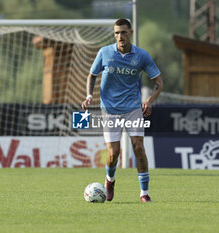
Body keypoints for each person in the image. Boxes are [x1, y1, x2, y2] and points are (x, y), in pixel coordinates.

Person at [81, 18, 163, 203]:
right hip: (110, 109)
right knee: (113, 154)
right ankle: (109, 181)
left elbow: (159, 82)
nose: (120, 36)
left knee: (138, 147)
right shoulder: (105, 52)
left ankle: (144, 193)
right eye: (117, 33)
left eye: (123, 32)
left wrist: (149, 100)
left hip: (133, 108)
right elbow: (92, 75)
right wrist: (88, 96)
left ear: (131, 33)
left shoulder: (141, 56)